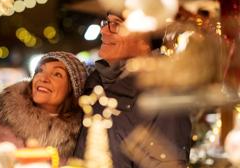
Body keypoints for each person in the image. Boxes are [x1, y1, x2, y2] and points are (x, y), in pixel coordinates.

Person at [73, 14, 192, 167]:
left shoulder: (166, 92)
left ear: (146, 39)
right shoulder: (94, 83)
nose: (103, 30)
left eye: (116, 24)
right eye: (107, 22)